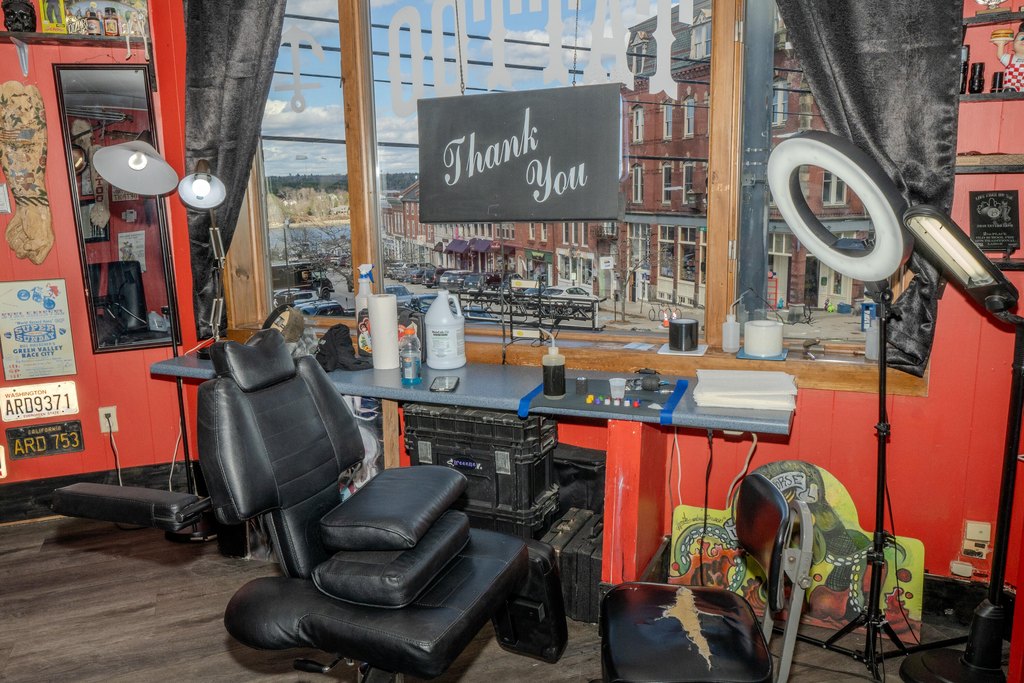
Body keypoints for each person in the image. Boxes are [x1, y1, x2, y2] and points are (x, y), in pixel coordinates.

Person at [998, 22, 1024, 92]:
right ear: (1013, 44)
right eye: (1021, 38)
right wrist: (1001, 44)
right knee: (1010, 90)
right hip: (1011, 86)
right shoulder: (1010, 59)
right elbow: (1000, 55)